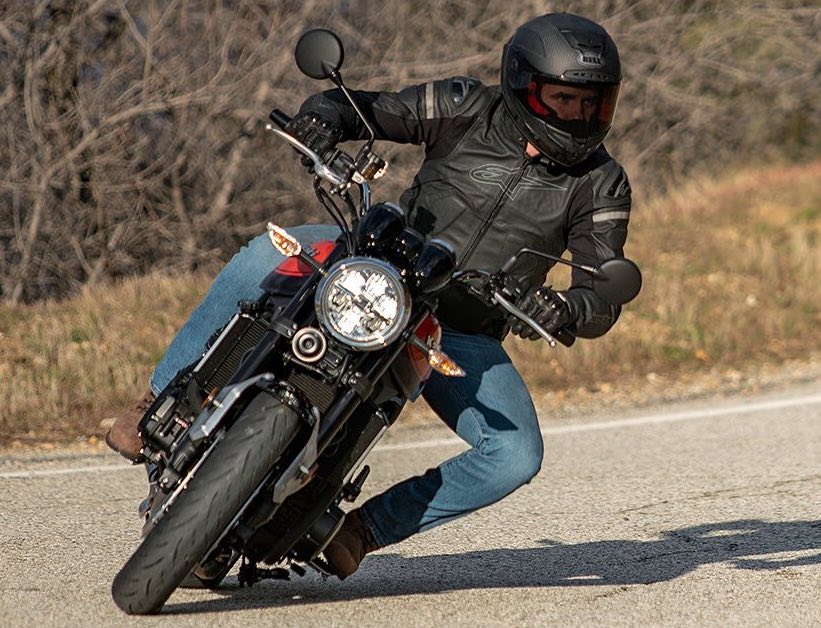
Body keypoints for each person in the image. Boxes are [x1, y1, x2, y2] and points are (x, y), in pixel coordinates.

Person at [106, 12, 633, 579]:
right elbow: (368, 107)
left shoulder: (602, 182)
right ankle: (158, 400)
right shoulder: (464, 105)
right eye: (562, 99)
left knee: (515, 455)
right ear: (521, 84)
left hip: (458, 328)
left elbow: (601, 292)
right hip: (378, 261)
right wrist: (323, 119)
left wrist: (562, 309)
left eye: (592, 103)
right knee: (268, 252)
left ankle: (359, 530)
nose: (578, 115)